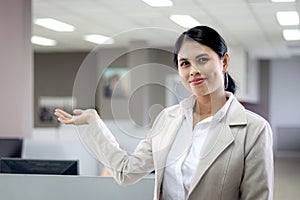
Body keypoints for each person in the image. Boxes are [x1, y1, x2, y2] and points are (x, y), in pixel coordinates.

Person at [54, 26, 274, 200]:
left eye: (203, 59)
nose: (193, 71)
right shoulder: (168, 120)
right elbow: (126, 171)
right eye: (184, 63)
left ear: (224, 62)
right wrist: (93, 122)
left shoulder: (254, 130)